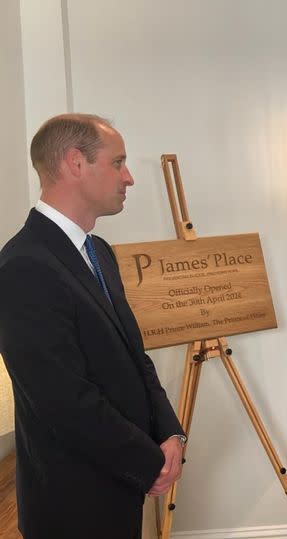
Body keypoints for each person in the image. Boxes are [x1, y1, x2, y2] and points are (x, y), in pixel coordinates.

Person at [0, 114, 186, 539]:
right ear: (75, 163)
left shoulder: (98, 252)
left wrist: (171, 433)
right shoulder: (24, 264)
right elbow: (63, 399)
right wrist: (148, 460)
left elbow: (134, 357)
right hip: (72, 500)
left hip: (119, 485)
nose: (129, 177)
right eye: (118, 162)